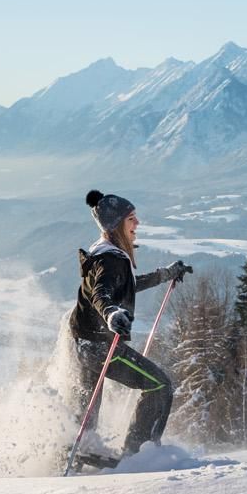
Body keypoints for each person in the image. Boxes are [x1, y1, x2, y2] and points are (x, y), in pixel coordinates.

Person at [69, 189, 191, 458]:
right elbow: (101, 293)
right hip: (100, 347)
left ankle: (76, 454)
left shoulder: (104, 252)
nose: (137, 223)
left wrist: (166, 274)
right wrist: (111, 314)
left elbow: (125, 287)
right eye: (131, 219)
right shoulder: (110, 260)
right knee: (161, 386)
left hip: (85, 342)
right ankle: (138, 454)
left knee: (87, 410)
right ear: (115, 225)